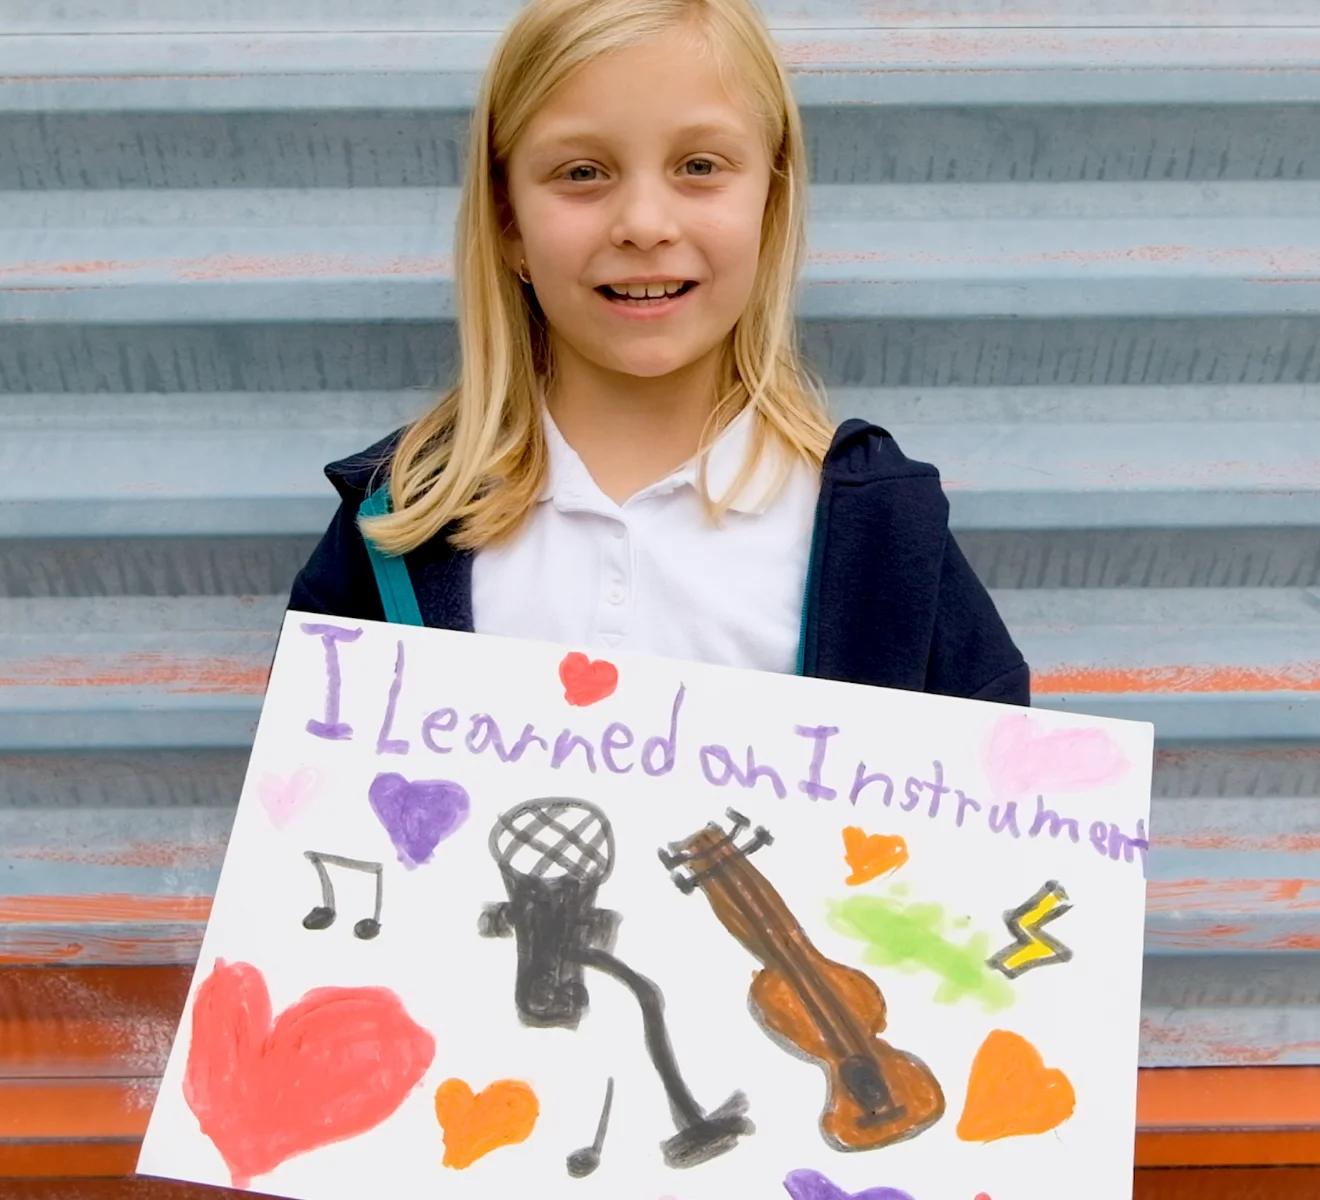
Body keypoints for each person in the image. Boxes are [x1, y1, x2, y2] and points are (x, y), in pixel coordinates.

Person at [288, 0, 1029, 706]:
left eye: (699, 166)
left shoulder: (885, 534)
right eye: (582, 172)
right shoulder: (399, 522)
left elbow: (996, 818)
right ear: (509, 222)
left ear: (771, 205)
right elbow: (317, 818)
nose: (644, 224)